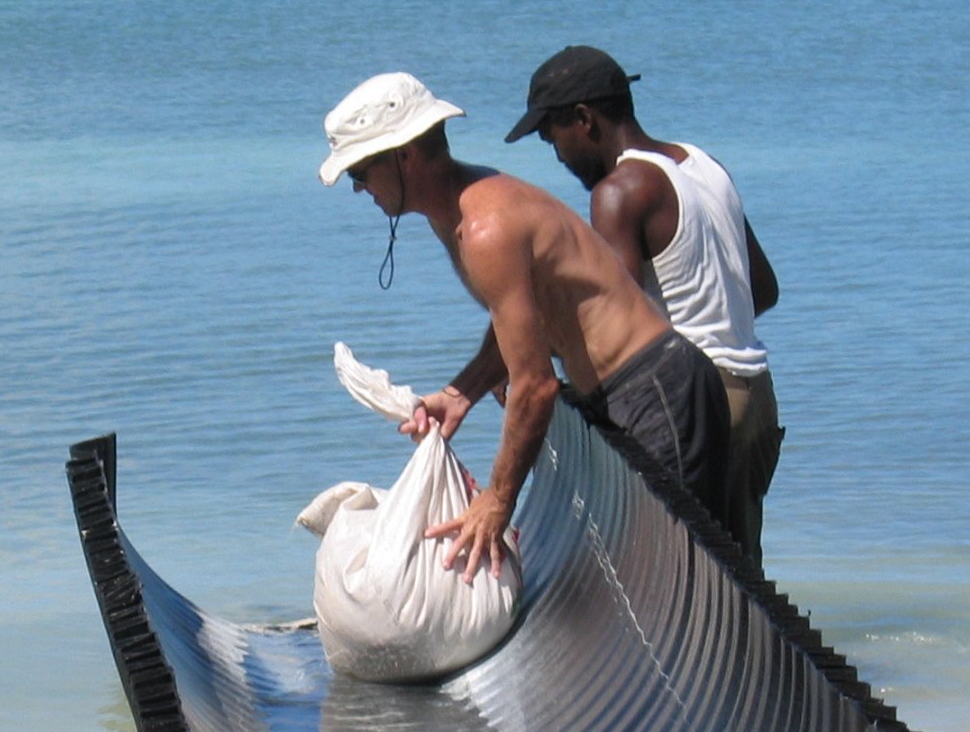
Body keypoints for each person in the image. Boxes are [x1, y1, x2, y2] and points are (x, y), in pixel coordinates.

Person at [318, 71, 729, 582]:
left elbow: (534, 386)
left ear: (405, 155)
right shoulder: (457, 210)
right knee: (644, 579)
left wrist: (497, 501)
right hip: (623, 394)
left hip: (655, 392)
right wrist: (462, 391)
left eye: (360, 169)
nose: (358, 187)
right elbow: (524, 320)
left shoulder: (486, 228)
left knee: (678, 582)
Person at [505, 45, 783, 567]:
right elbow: (762, 288)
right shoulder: (702, 165)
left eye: (553, 138)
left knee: (677, 574)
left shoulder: (619, 192)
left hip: (698, 404)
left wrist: (529, 377)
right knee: (740, 578)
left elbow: (606, 323)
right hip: (756, 394)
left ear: (584, 121)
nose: (557, 157)